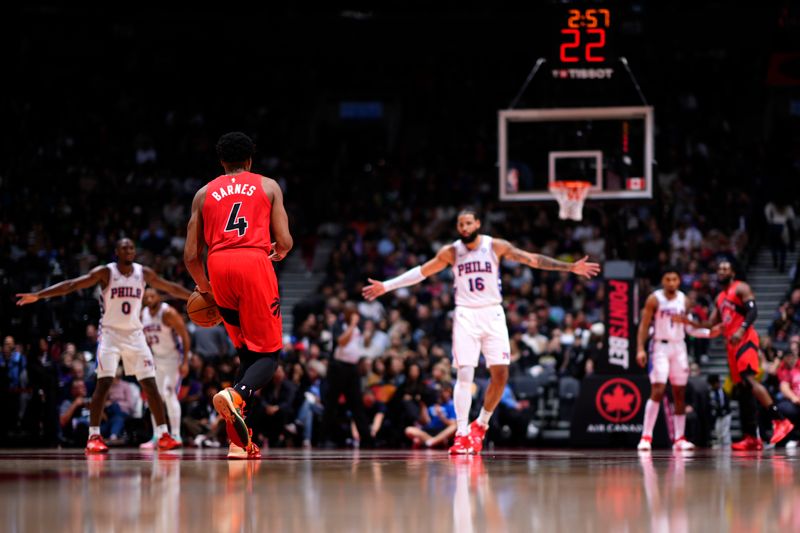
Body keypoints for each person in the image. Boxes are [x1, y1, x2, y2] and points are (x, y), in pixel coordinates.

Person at [362, 208, 600, 454]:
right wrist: (386, 286)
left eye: (468, 223)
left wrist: (570, 268)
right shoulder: (452, 252)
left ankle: (481, 424)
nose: (464, 228)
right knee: (465, 374)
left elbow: (533, 260)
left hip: (493, 313)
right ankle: (462, 434)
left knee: (501, 374)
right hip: (465, 314)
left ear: (477, 224)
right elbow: (421, 272)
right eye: (460, 224)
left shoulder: (494, 246)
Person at [16, 238, 191, 453]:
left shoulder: (143, 273)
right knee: (104, 383)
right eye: (124, 248)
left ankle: (163, 434)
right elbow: (72, 284)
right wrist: (39, 295)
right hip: (110, 334)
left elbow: (170, 287)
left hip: (135, 335)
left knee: (151, 385)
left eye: (131, 248)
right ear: (116, 252)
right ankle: (94, 436)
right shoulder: (106, 273)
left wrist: (194, 296)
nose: (129, 250)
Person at [184, 131, 292, 460]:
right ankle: (238, 392)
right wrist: (277, 252)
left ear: (221, 162)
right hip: (253, 262)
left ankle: (238, 442)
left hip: (218, 267)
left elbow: (190, 255)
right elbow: (285, 241)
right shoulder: (268, 186)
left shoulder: (203, 193)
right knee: (269, 354)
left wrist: (206, 288)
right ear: (249, 160)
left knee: (247, 353)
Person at [677, 260, 794, 449]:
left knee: (749, 380)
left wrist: (741, 330)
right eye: (719, 269)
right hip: (730, 345)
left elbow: (753, 311)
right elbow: (711, 324)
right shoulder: (720, 297)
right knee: (742, 391)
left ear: (732, 272)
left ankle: (780, 421)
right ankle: (751, 437)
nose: (721, 271)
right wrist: (689, 322)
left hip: (745, 340)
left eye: (725, 268)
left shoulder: (741, 288)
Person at [635, 267, 719, 451]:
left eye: (674, 279)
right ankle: (646, 437)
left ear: (679, 281)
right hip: (660, 346)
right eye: (668, 279)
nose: (671, 282)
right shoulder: (654, 299)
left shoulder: (684, 300)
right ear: (663, 281)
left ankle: (679, 438)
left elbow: (689, 328)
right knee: (657, 389)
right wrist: (640, 348)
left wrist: (708, 333)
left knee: (679, 393)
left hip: (679, 347)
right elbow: (643, 325)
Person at [140, 288, 192, 448]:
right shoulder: (143, 314)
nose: (149, 298)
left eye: (152, 295)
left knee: (169, 395)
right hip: (156, 359)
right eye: (146, 296)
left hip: (173, 359)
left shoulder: (168, 313)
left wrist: (185, 362)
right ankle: (157, 436)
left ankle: (176, 435)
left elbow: (184, 336)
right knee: (154, 397)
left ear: (159, 297)